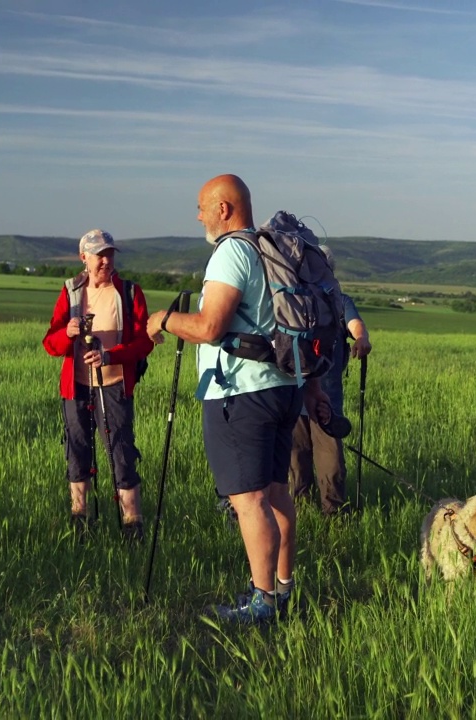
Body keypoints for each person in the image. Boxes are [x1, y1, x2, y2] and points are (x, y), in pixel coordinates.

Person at [146, 173, 330, 624]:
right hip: (283, 387)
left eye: (202, 206)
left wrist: (163, 320)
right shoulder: (271, 251)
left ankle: (262, 602)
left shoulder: (231, 252)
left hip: (239, 392)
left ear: (224, 209)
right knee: (276, 492)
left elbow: (211, 327)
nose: (198, 215)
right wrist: (313, 389)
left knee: (249, 501)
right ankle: (283, 590)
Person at [42, 229, 154, 539]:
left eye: (110, 254)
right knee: (77, 452)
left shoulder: (129, 292)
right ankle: (80, 522)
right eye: (99, 255)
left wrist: (110, 356)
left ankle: (133, 525)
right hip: (76, 387)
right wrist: (67, 333)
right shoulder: (71, 292)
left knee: (121, 452)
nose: (106, 260)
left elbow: (145, 343)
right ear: (84, 258)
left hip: (115, 385)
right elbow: (50, 344)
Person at [288, 247, 371, 516]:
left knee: (330, 461)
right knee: (296, 460)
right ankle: (298, 512)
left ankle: (333, 515)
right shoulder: (292, 300)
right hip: (293, 395)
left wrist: (361, 340)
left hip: (327, 400)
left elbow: (355, 324)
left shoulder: (338, 301)